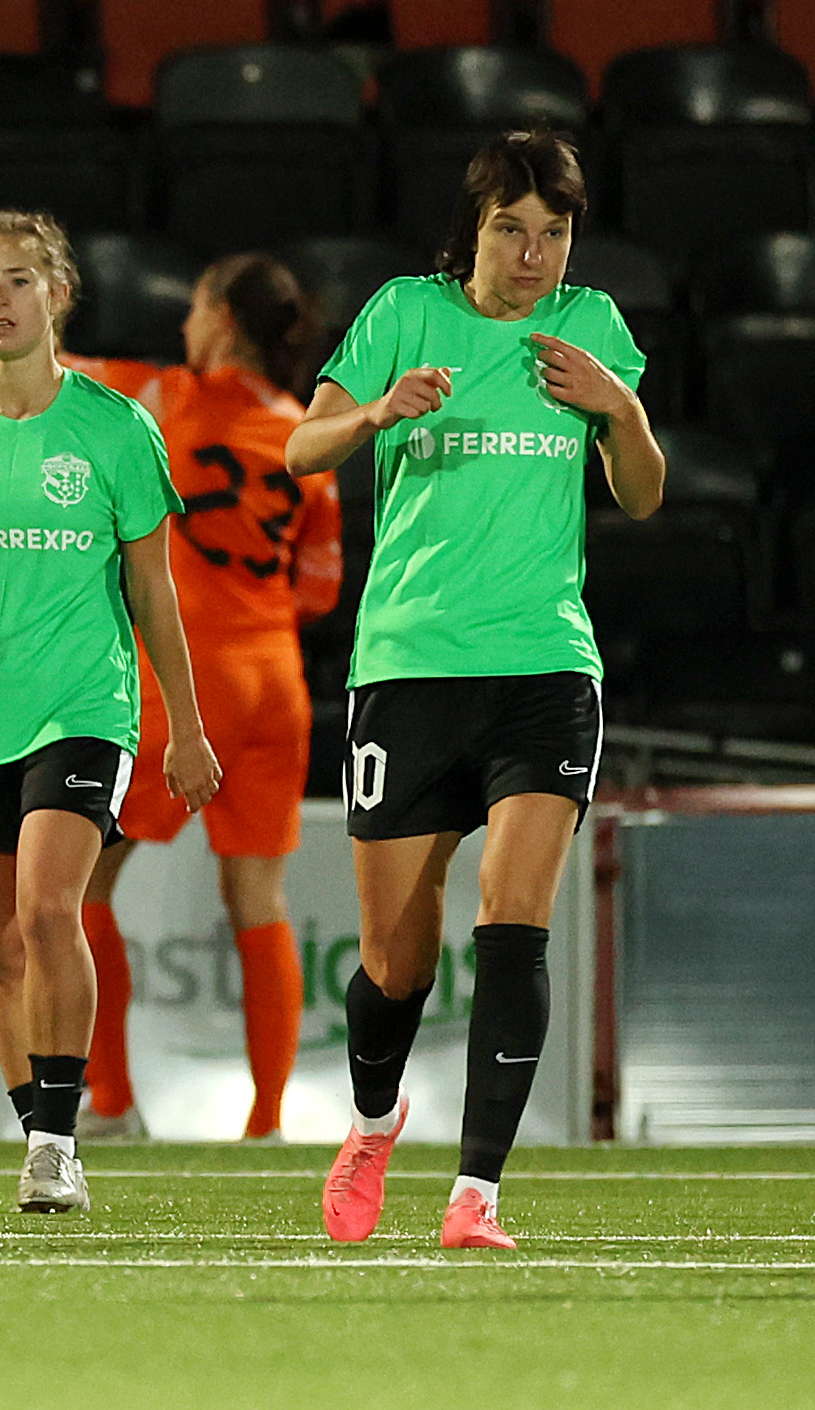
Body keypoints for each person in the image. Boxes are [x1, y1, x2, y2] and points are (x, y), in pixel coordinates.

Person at [287, 131, 662, 1252]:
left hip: (545, 665)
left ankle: (476, 1193)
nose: (533, 252)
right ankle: (371, 1120)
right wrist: (372, 414)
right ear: (476, 226)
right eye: (512, 228)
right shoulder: (405, 310)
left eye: (553, 233)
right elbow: (302, 447)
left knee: (513, 919)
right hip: (406, 665)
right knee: (396, 961)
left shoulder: (592, 327)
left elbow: (641, 495)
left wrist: (619, 410)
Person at [0, 209, 217, 1215]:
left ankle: (58, 1139)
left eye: (19, 279)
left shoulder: (116, 427)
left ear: (57, 295)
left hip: (82, 706)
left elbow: (154, 590)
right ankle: (35, 1129)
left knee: (45, 906)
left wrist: (188, 726)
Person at [72, 254, 344, 1144]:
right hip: (276, 682)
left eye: (192, 305)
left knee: (80, 889)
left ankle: (111, 1105)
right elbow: (319, 589)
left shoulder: (168, 396)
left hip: (183, 682)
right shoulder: (309, 433)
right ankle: (267, 1123)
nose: (185, 326)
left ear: (222, 319)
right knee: (258, 900)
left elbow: (52, 371)